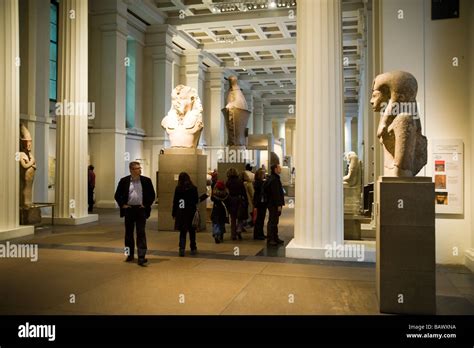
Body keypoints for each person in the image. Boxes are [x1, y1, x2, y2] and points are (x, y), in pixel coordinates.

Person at [114, 162, 156, 266]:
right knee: (128, 233)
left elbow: (152, 195)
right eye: (137, 168)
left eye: (139, 168)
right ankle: (129, 255)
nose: (139, 170)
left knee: (141, 232)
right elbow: (117, 195)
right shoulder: (124, 181)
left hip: (141, 210)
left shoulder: (146, 181)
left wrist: (146, 205)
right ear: (131, 170)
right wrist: (122, 204)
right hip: (129, 210)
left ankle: (141, 256)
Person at [172, 172, 199, 257]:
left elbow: (175, 201)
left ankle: (182, 248)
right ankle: (193, 248)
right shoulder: (194, 188)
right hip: (191, 211)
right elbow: (195, 201)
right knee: (192, 231)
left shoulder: (178, 188)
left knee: (183, 231)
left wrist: (174, 213)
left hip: (181, 211)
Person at [265, 163, 285, 246]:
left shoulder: (274, 178)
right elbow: (275, 194)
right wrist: (278, 205)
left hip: (272, 204)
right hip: (273, 204)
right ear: (275, 169)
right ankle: (271, 239)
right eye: (279, 167)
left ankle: (275, 237)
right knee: (273, 221)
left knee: (275, 221)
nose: (280, 169)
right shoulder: (274, 180)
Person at [225, 167, 248, 240]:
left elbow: (226, 192)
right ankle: (239, 229)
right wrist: (246, 201)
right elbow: (244, 192)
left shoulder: (227, 182)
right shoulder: (239, 181)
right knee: (240, 217)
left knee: (233, 218)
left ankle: (233, 235)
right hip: (239, 200)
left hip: (231, 200)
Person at [253, 169, 267, 240]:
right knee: (259, 219)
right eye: (263, 173)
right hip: (259, 203)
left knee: (261, 219)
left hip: (262, 202)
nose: (264, 175)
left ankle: (261, 233)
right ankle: (257, 234)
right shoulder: (258, 183)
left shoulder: (260, 182)